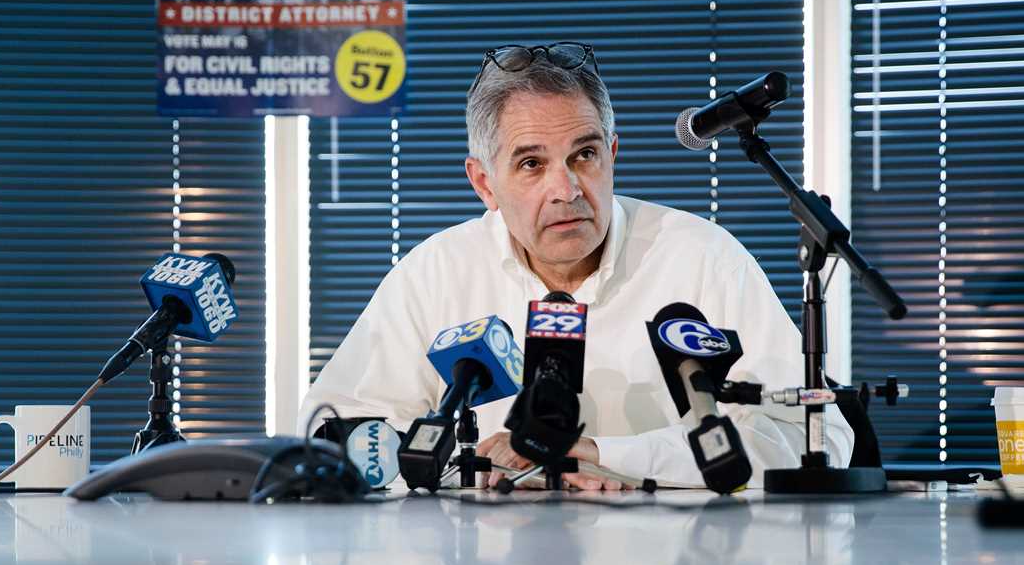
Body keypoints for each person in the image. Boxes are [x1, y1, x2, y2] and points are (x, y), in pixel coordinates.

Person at [299, 42, 853, 489]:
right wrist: (466, 469)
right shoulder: (434, 275)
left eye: (584, 156)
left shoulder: (701, 258)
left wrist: (616, 459)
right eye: (532, 164)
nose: (565, 190)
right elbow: (329, 435)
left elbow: (818, 439)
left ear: (612, 154)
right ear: (483, 182)